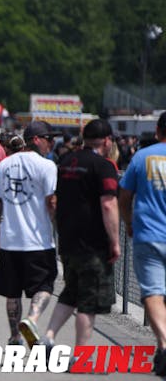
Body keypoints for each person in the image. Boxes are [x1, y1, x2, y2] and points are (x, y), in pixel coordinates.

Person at [38, 119, 120, 353]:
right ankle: (80, 356)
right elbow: (108, 204)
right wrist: (115, 241)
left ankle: (48, 337)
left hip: (68, 240)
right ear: (107, 141)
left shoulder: (65, 162)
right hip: (93, 244)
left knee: (71, 292)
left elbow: (53, 200)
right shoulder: (103, 166)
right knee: (88, 302)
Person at [0, 120, 59, 348]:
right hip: (38, 241)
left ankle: (15, 337)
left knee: (13, 291)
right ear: (36, 139)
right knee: (45, 286)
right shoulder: (47, 166)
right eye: (49, 139)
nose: (52, 143)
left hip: (10, 240)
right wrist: (60, 229)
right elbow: (52, 202)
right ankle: (32, 319)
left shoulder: (6, 164)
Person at [118, 111, 166, 375]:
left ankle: (164, 344)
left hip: (148, 234)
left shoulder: (141, 157)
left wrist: (128, 223)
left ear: (157, 131)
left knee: (152, 292)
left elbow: (124, 197)